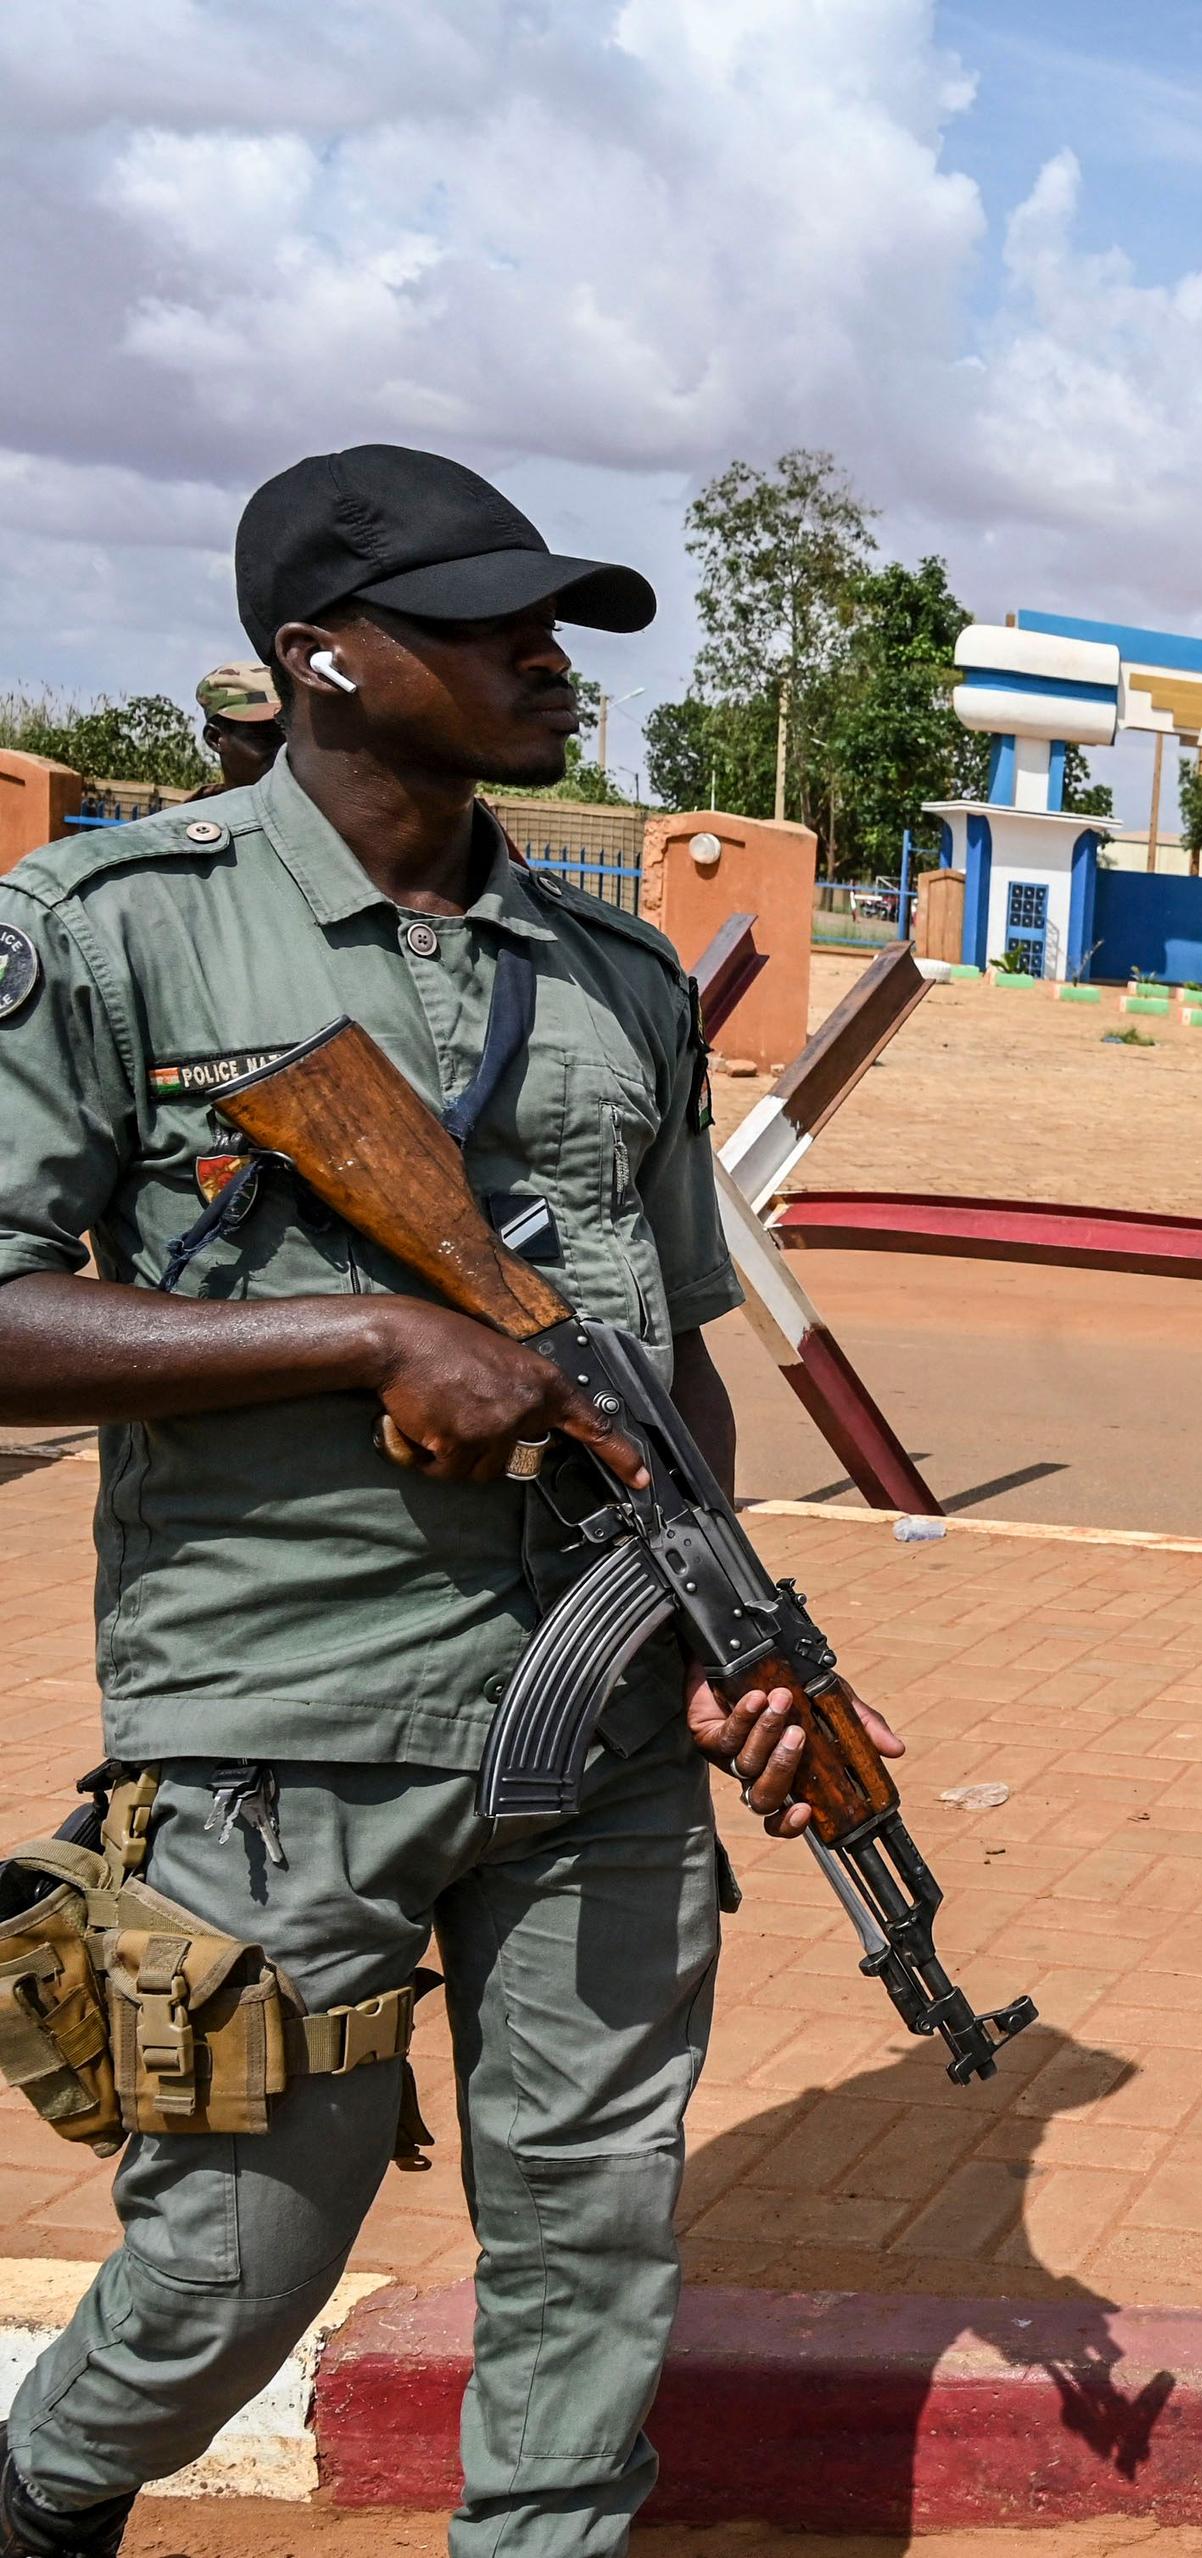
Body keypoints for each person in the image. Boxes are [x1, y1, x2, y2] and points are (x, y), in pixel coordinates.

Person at [0, 443, 869, 2556]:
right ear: (318, 654)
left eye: (549, 619)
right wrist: (365, 1337)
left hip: (591, 1735)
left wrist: (725, 1633)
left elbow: (661, 1357)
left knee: (590, 2256)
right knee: (228, 2273)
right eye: (486, 620)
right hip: (277, 1725)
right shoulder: (110, 935)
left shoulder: (620, 979)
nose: (543, 656)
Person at [193, 661, 282, 792]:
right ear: (215, 738)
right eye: (266, 739)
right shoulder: (192, 812)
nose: (283, 751)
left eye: (293, 738)